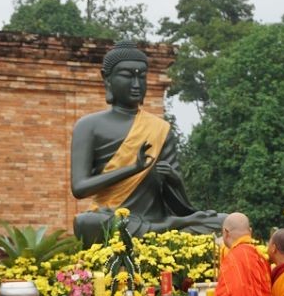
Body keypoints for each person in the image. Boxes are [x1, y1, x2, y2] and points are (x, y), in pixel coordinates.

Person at [69, 41, 225, 245]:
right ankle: (162, 231)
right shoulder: (88, 125)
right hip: (113, 218)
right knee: (86, 222)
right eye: (127, 76)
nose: (136, 84)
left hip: (155, 219)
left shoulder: (160, 129)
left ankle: (163, 229)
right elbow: (79, 188)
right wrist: (133, 168)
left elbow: (177, 202)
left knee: (224, 222)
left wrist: (173, 179)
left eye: (141, 76)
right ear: (107, 79)